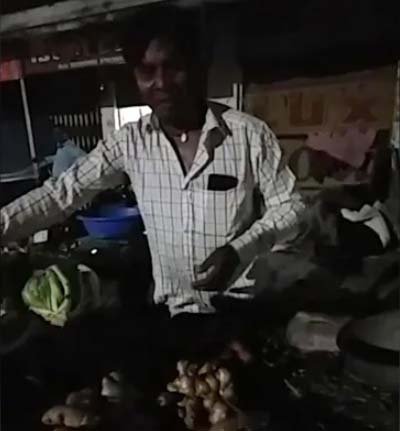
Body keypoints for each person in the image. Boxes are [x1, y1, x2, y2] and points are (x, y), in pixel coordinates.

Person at [0, 6, 304, 390]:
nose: (161, 83)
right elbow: (63, 193)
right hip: (171, 318)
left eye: (173, 66)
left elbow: (291, 206)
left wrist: (239, 250)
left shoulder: (248, 136)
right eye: (146, 71)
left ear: (200, 66)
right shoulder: (130, 143)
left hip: (240, 317)